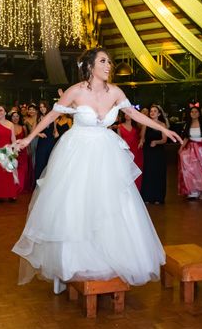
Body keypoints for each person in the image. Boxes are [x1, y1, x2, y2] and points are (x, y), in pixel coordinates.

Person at [13, 48, 181, 293]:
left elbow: (132, 113)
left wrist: (163, 129)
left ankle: (108, 259)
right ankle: (71, 263)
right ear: (90, 66)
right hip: (78, 153)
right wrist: (28, 139)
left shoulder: (115, 92)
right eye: (103, 61)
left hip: (107, 154)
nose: (109, 65)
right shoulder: (76, 91)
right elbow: (52, 115)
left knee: (110, 206)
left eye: (109, 62)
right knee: (76, 205)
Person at [140, 104, 168, 204]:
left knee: (158, 173)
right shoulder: (145, 124)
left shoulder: (162, 125)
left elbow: (164, 139)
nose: (152, 113)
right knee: (148, 173)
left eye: (155, 111)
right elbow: (142, 137)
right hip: (148, 151)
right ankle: (147, 197)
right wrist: (141, 142)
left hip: (158, 152)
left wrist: (156, 142)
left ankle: (158, 197)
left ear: (159, 113)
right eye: (151, 111)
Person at [117, 110, 143, 189]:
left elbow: (142, 136)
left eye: (129, 113)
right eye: (125, 113)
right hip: (126, 151)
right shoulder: (119, 126)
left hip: (137, 151)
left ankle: (138, 191)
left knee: (138, 171)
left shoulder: (138, 126)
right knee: (127, 171)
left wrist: (141, 140)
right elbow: (119, 140)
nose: (126, 115)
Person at [33, 101, 56, 181]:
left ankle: (48, 183)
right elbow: (33, 131)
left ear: (47, 107)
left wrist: (56, 133)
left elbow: (55, 131)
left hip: (51, 142)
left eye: (43, 107)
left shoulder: (52, 116)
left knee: (49, 163)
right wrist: (39, 134)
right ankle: (38, 184)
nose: (42, 109)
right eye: (40, 107)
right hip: (42, 143)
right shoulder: (38, 118)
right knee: (40, 162)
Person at [10, 111, 31, 194]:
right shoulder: (8, 127)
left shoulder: (23, 127)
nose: (15, 118)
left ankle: (20, 187)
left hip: (23, 152)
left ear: (19, 118)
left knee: (22, 170)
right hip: (12, 151)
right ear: (11, 118)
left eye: (17, 116)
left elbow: (26, 139)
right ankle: (13, 187)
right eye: (13, 116)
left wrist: (28, 150)